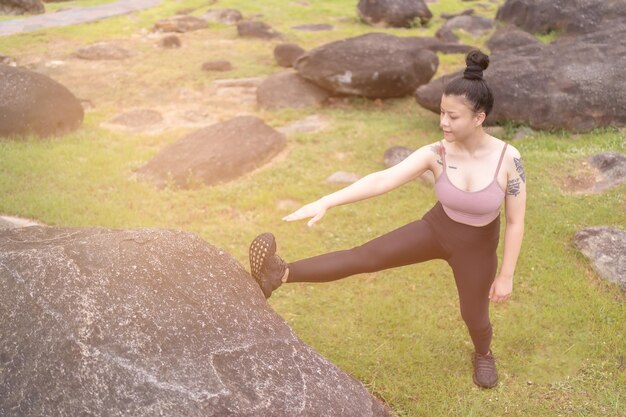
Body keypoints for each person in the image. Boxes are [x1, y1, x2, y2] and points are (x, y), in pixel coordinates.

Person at [248, 50, 526, 389]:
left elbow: (514, 222)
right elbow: (382, 179)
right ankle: (279, 274)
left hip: (477, 247)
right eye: (441, 113)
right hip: (438, 229)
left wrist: (507, 275)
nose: (443, 123)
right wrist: (327, 200)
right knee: (365, 257)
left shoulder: (508, 158)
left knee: (474, 315)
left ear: (479, 118)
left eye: (453, 117)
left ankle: (483, 353)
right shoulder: (436, 153)